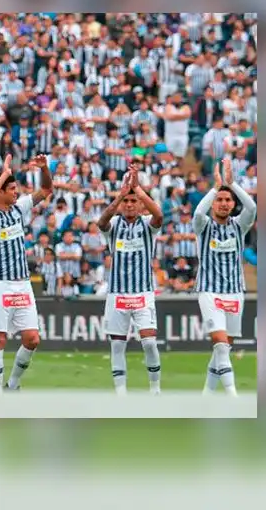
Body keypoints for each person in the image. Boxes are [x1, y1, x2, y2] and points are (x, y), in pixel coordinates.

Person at [0, 153, 52, 391]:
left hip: (22, 284)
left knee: (32, 339)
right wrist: (3, 175)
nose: (16, 192)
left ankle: (12, 384)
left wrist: (44, 169)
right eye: (11, 188)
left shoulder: (19, 208)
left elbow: (46, 190)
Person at [97, 164, 165, 395]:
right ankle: (121, 394)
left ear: (140, 204)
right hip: (117, 294)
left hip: (143, 293)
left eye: (133, 201)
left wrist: (138, 190)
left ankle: (155, 390)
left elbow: (159, 216)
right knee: (117, 345)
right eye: (126, 201)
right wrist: (120, 195)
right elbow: (101, 222)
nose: (129, 204)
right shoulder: (114, 225)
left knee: (149, 342)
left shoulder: (147, 225)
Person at [195, 157, 257, 396]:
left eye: (227, 200)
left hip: (234, 293)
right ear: (213, 204)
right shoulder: (203, 226)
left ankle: (206, 396)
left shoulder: (240, 226)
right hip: (209, 291)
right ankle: (233, 397)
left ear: (232, 204)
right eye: (219, 200)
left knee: (223, 349)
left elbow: (252, 208)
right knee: (221, 345)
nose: (223, 203)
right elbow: (198, 212)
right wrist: (215, 188)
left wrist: (232, 184)